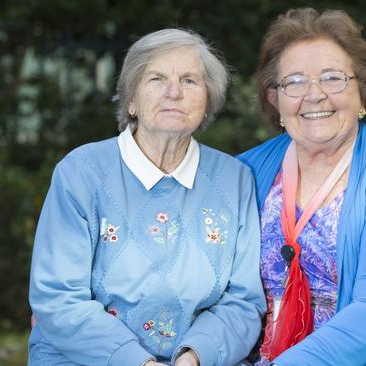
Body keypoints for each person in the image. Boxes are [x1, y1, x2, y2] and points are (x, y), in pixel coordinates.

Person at [27, 28, 265, 366]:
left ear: (208, 101)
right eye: (156, 79)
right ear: (132, 100)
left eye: (189, 81)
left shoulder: (234, 179)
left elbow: (243, 300)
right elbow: (58, 297)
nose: (173, 93)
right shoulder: (80, 173)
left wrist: (194, 357)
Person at [238, 8, 366, 365]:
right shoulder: (245, 170)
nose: (314, 94)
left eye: (332, 78)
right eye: (294, 81)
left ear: (363, 93)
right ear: (274, 98)